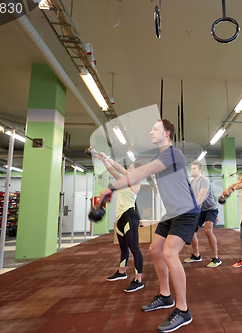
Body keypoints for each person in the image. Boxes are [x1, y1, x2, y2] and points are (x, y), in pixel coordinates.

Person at [100, 119, 200, 333]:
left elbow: (139, 173)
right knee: (155, 250)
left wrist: (110, 188)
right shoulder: (159, 157)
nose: (150, 132)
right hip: (171, 213)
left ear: (167, 132)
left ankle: (183, 310)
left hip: (186, 212)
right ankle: (165, 296)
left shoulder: (173, 154)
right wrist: (111, 167)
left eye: (155, 129)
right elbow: (133, 174)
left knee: (169, 253)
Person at [96, 153, 144, 292]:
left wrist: (107, 157)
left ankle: (138, 279)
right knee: (123, 248)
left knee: (134, 248)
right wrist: (103, 160)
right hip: (120, 218)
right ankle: (122, 272)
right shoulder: (122, 182)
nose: (127, 170)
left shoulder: (135, 182)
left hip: (130, 216)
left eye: (130, 168)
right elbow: (112, 170)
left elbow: (119, 168)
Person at [184, 160, 221, 268]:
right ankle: (196, 255)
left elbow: (200, 199)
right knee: (191, 230)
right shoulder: (191, 183)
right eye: (191, 168)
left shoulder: (204, 181)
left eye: (194, 168)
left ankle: (216, 258)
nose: (191, 170)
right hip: (199, 211)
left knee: (208, 230)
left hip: (210, 209)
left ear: (200, 170)